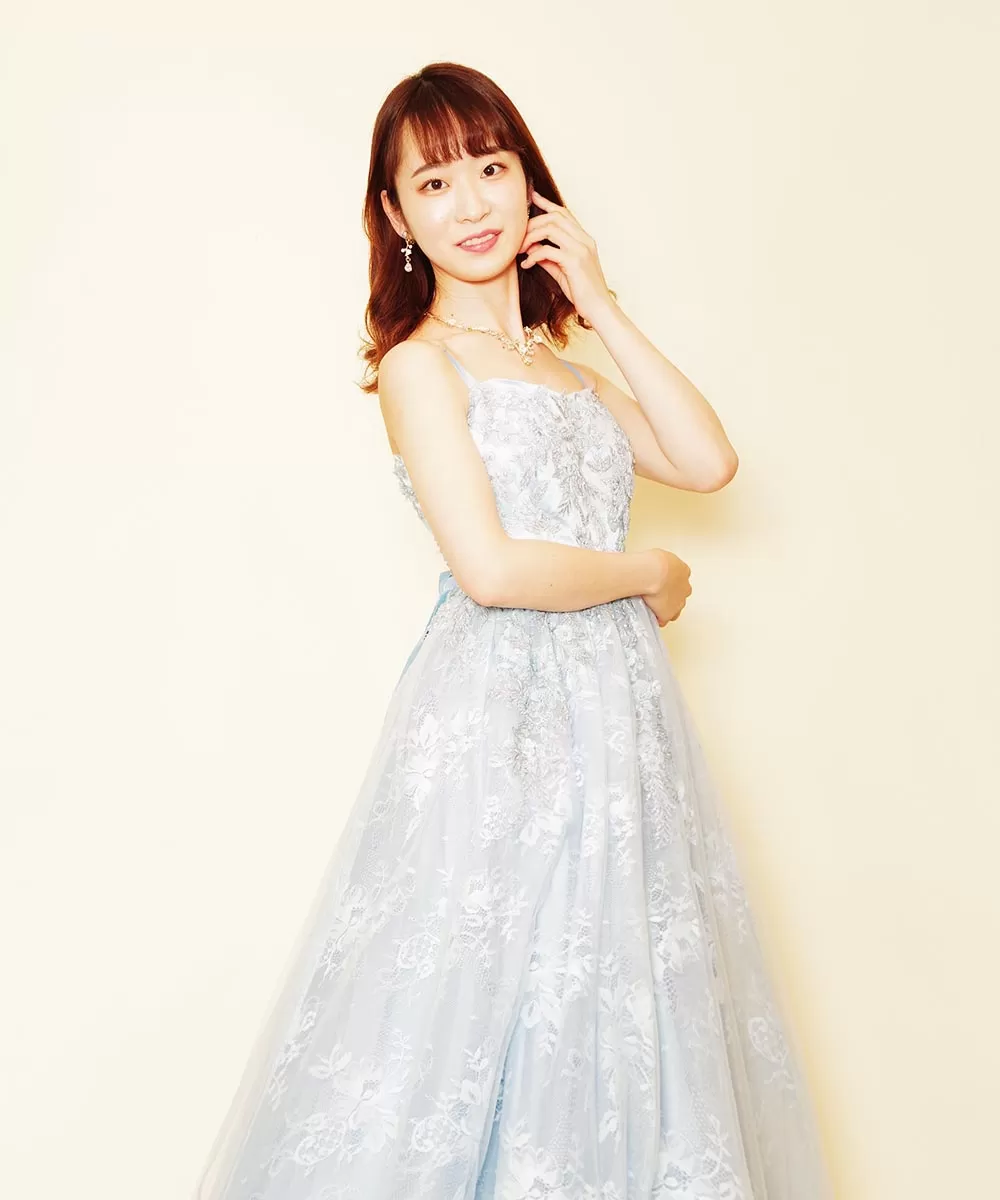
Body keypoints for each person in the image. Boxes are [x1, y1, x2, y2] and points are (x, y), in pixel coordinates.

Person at [192, 61, 834, 1200]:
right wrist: (645, 573)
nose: (471, 204)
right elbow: (488, 570)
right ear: (396, 217)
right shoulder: (419, 365)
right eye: (434, 183)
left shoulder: (566, 370)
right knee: (484, 989)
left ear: (531, 184)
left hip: (621, 720)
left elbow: (707, 460)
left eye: (490, 168)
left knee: (610, 988)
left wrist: (601, 303)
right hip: (500, 714)